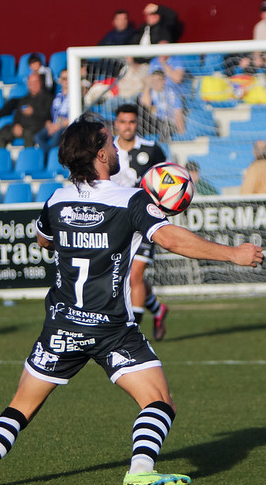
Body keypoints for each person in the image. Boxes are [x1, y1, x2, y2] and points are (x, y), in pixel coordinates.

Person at [0, 113, 264, 485]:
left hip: (62, 325)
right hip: (111, 329)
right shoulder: (130, 200)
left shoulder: (57, 200)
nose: (116, 146)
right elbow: (172, 239)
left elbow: (43, 240)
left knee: (20, 406)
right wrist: (233, 254)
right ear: (100, 154)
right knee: (158, 401)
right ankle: (140, 469)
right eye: (109, 142)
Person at [111, 104, 169, 340]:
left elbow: (166, 183)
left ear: (137, 123)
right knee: (126, 274)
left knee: (134, 275)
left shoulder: (151, 150)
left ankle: (131, 331)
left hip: (144, 222)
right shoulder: (106, 149)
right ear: (116, 123)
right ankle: (157, 308)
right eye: (123, 122)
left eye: (132, 122)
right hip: (116, 222)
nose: (128, 126)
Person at [0, 73, 52, 148]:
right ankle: (1, 158)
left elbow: (48, 116)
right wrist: (16, 125)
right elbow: (17, 115)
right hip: (21, 127)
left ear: (41, 83)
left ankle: (28, 158)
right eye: (30, 83)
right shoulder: (24, 99)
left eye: (35, 82)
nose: (33, 85)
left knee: (29, 134)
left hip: (37, 128)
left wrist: (34, 112)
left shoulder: (48, 98)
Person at [139, 69, 185, 139]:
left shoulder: (173, 93)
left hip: (169, 122)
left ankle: (163, 146)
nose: (155, 83)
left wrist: (181, 132)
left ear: (164, 81)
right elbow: (144, 106)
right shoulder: (149, 92)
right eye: (153, 81)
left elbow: (177, 113)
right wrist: (147, 86)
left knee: (165, 127)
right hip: (155, 122)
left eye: (158, 80)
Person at [34, 70, 70, 157]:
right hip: (54, 125)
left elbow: (74, 117)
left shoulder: (75, 95)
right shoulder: (57, 96)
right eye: (64, 78)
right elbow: (51, 113)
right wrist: (49, 123)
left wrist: (58, 126)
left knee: (56, 135)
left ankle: (53, 158)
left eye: (68, 78)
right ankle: (50, 155)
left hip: (66, 126)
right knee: (38, 137)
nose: (66, 81)